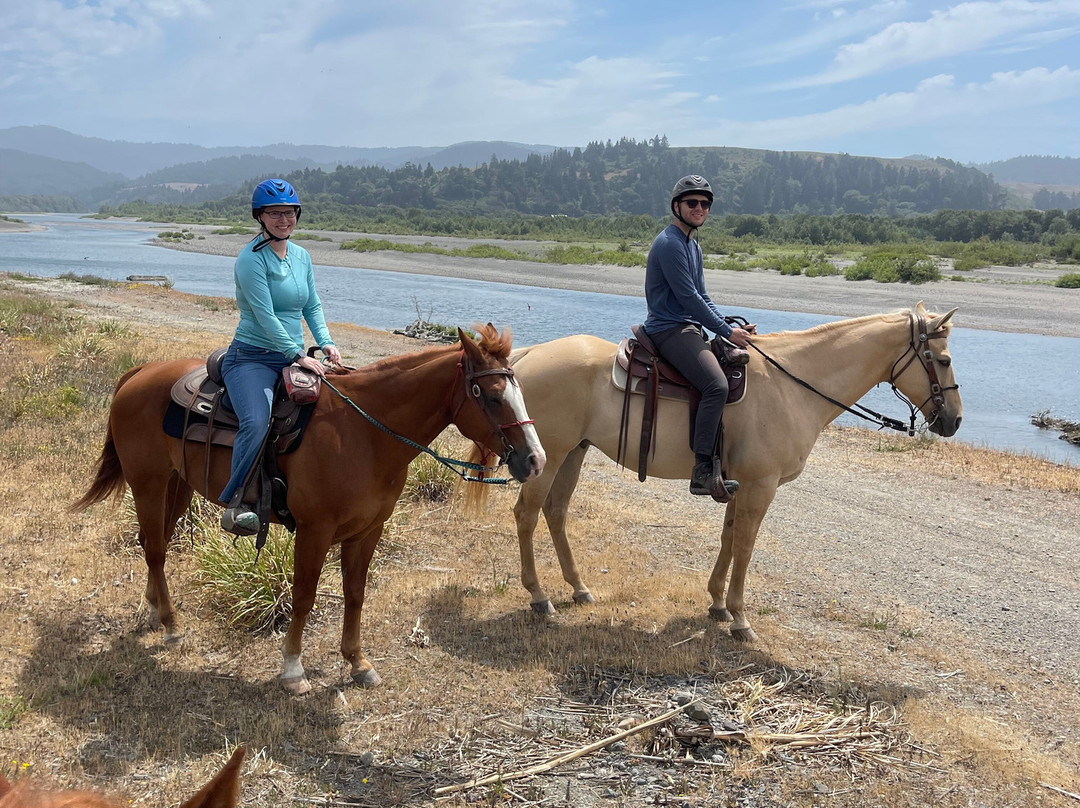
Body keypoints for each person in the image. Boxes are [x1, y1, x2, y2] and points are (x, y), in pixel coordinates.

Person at [218, 178, 342, 534]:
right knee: (257, 421)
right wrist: (297, 354)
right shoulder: (250, 259)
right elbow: (264, 315)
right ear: (260, 216)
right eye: (274, 213)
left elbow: (312, 305)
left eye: (288, 213)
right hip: (252, 357)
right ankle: (236, 500)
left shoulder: (301, 256)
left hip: (292, 356)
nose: (283, 219)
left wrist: (327, 342)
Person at [642, 175, 756, 501]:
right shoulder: (670, 244)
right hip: (668, 329)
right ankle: (702, 471)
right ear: (677, 206)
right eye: (693, 202)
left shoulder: (693, 245)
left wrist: (728, 326)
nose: (700, 208)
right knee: (716, 385)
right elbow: (689, 299)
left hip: (689, 327)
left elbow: (703, 297)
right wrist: (725, 331)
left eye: (705, 204)